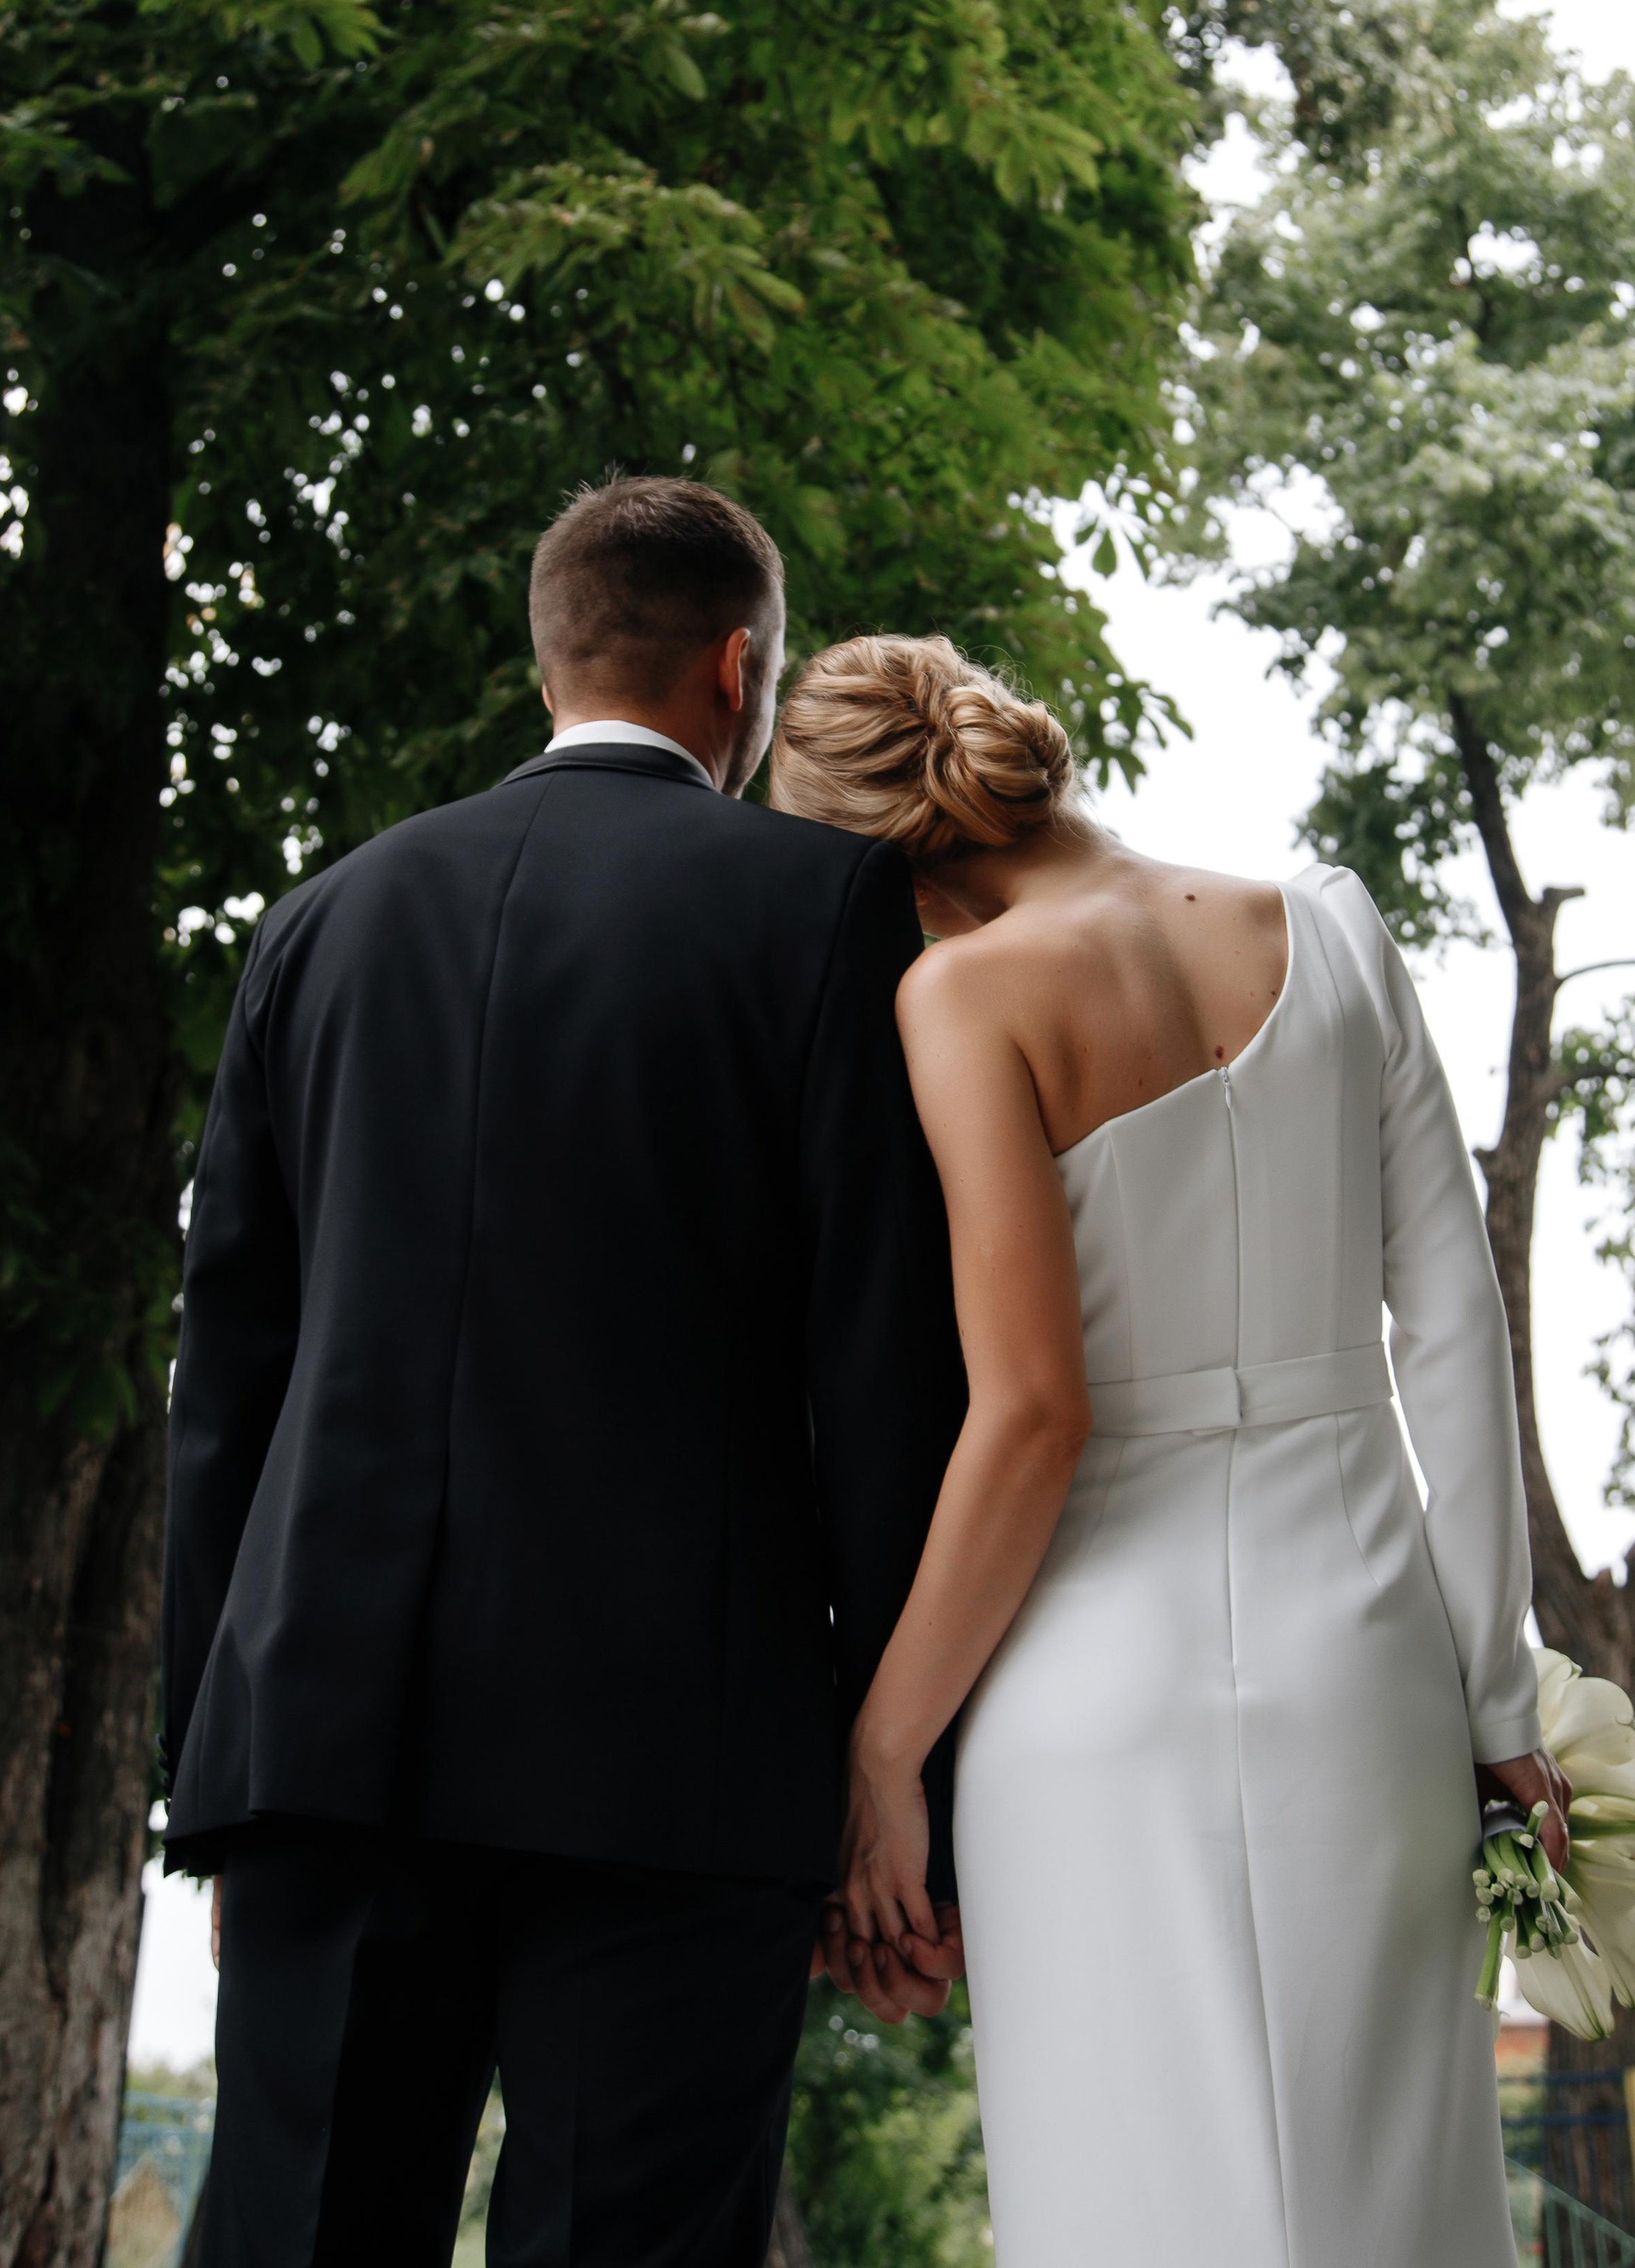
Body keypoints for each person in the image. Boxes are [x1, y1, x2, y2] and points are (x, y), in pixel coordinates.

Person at [160, 481, 967, 2268]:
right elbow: (884, 1372)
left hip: (324, 1748)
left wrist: (212, 1776)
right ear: (740, 667)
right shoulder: (830, 907)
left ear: (551, 657)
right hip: (677, 1760)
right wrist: (917, 1790)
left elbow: (226, 1371)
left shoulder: (323, 917)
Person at [769, 633, 1568, 2268]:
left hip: (1086, 1695)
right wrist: (1494, 1695)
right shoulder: (1331, 931)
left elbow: (1030, 1415)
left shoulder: (959, 993)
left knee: (1122, 2194)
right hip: (1366, 1669)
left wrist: (877, 1751)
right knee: (1390, 2191)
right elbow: (1453, 1335)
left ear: (886, 866)